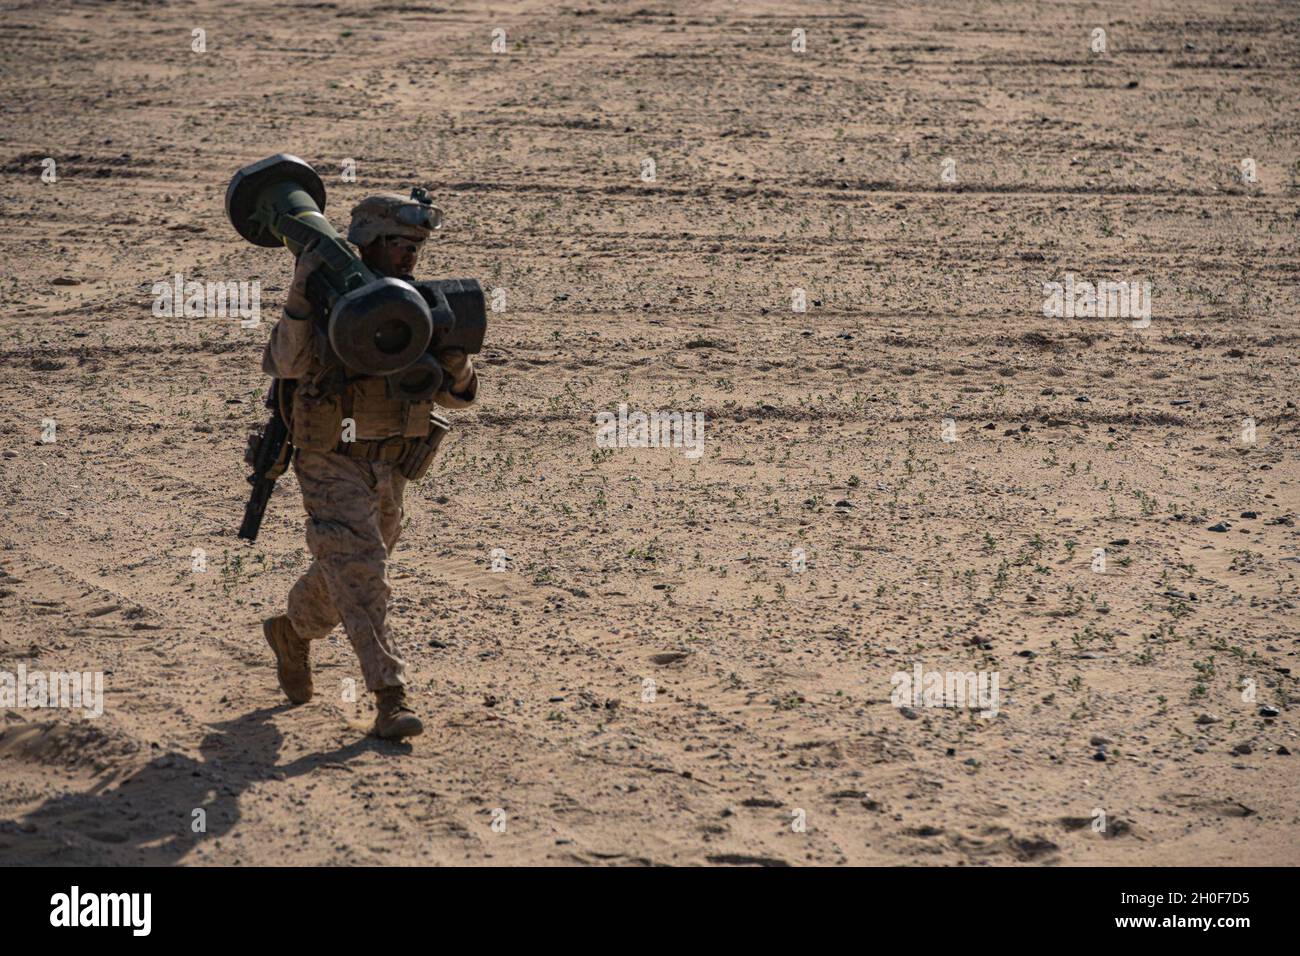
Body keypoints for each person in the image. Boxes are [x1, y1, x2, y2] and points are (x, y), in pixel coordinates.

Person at [260, 191, 477, 739]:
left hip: (393, 465)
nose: (410, 257)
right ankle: (390, 696)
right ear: (368, 242)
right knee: (363, 573)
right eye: (400, 245)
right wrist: (301, 295)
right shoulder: (326, 302)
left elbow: (458, 398)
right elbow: (283, 363)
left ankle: (292, 632)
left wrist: (453, 359)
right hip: (331, 459)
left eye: (416, 247)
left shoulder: (417, 304)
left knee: (348, 572)